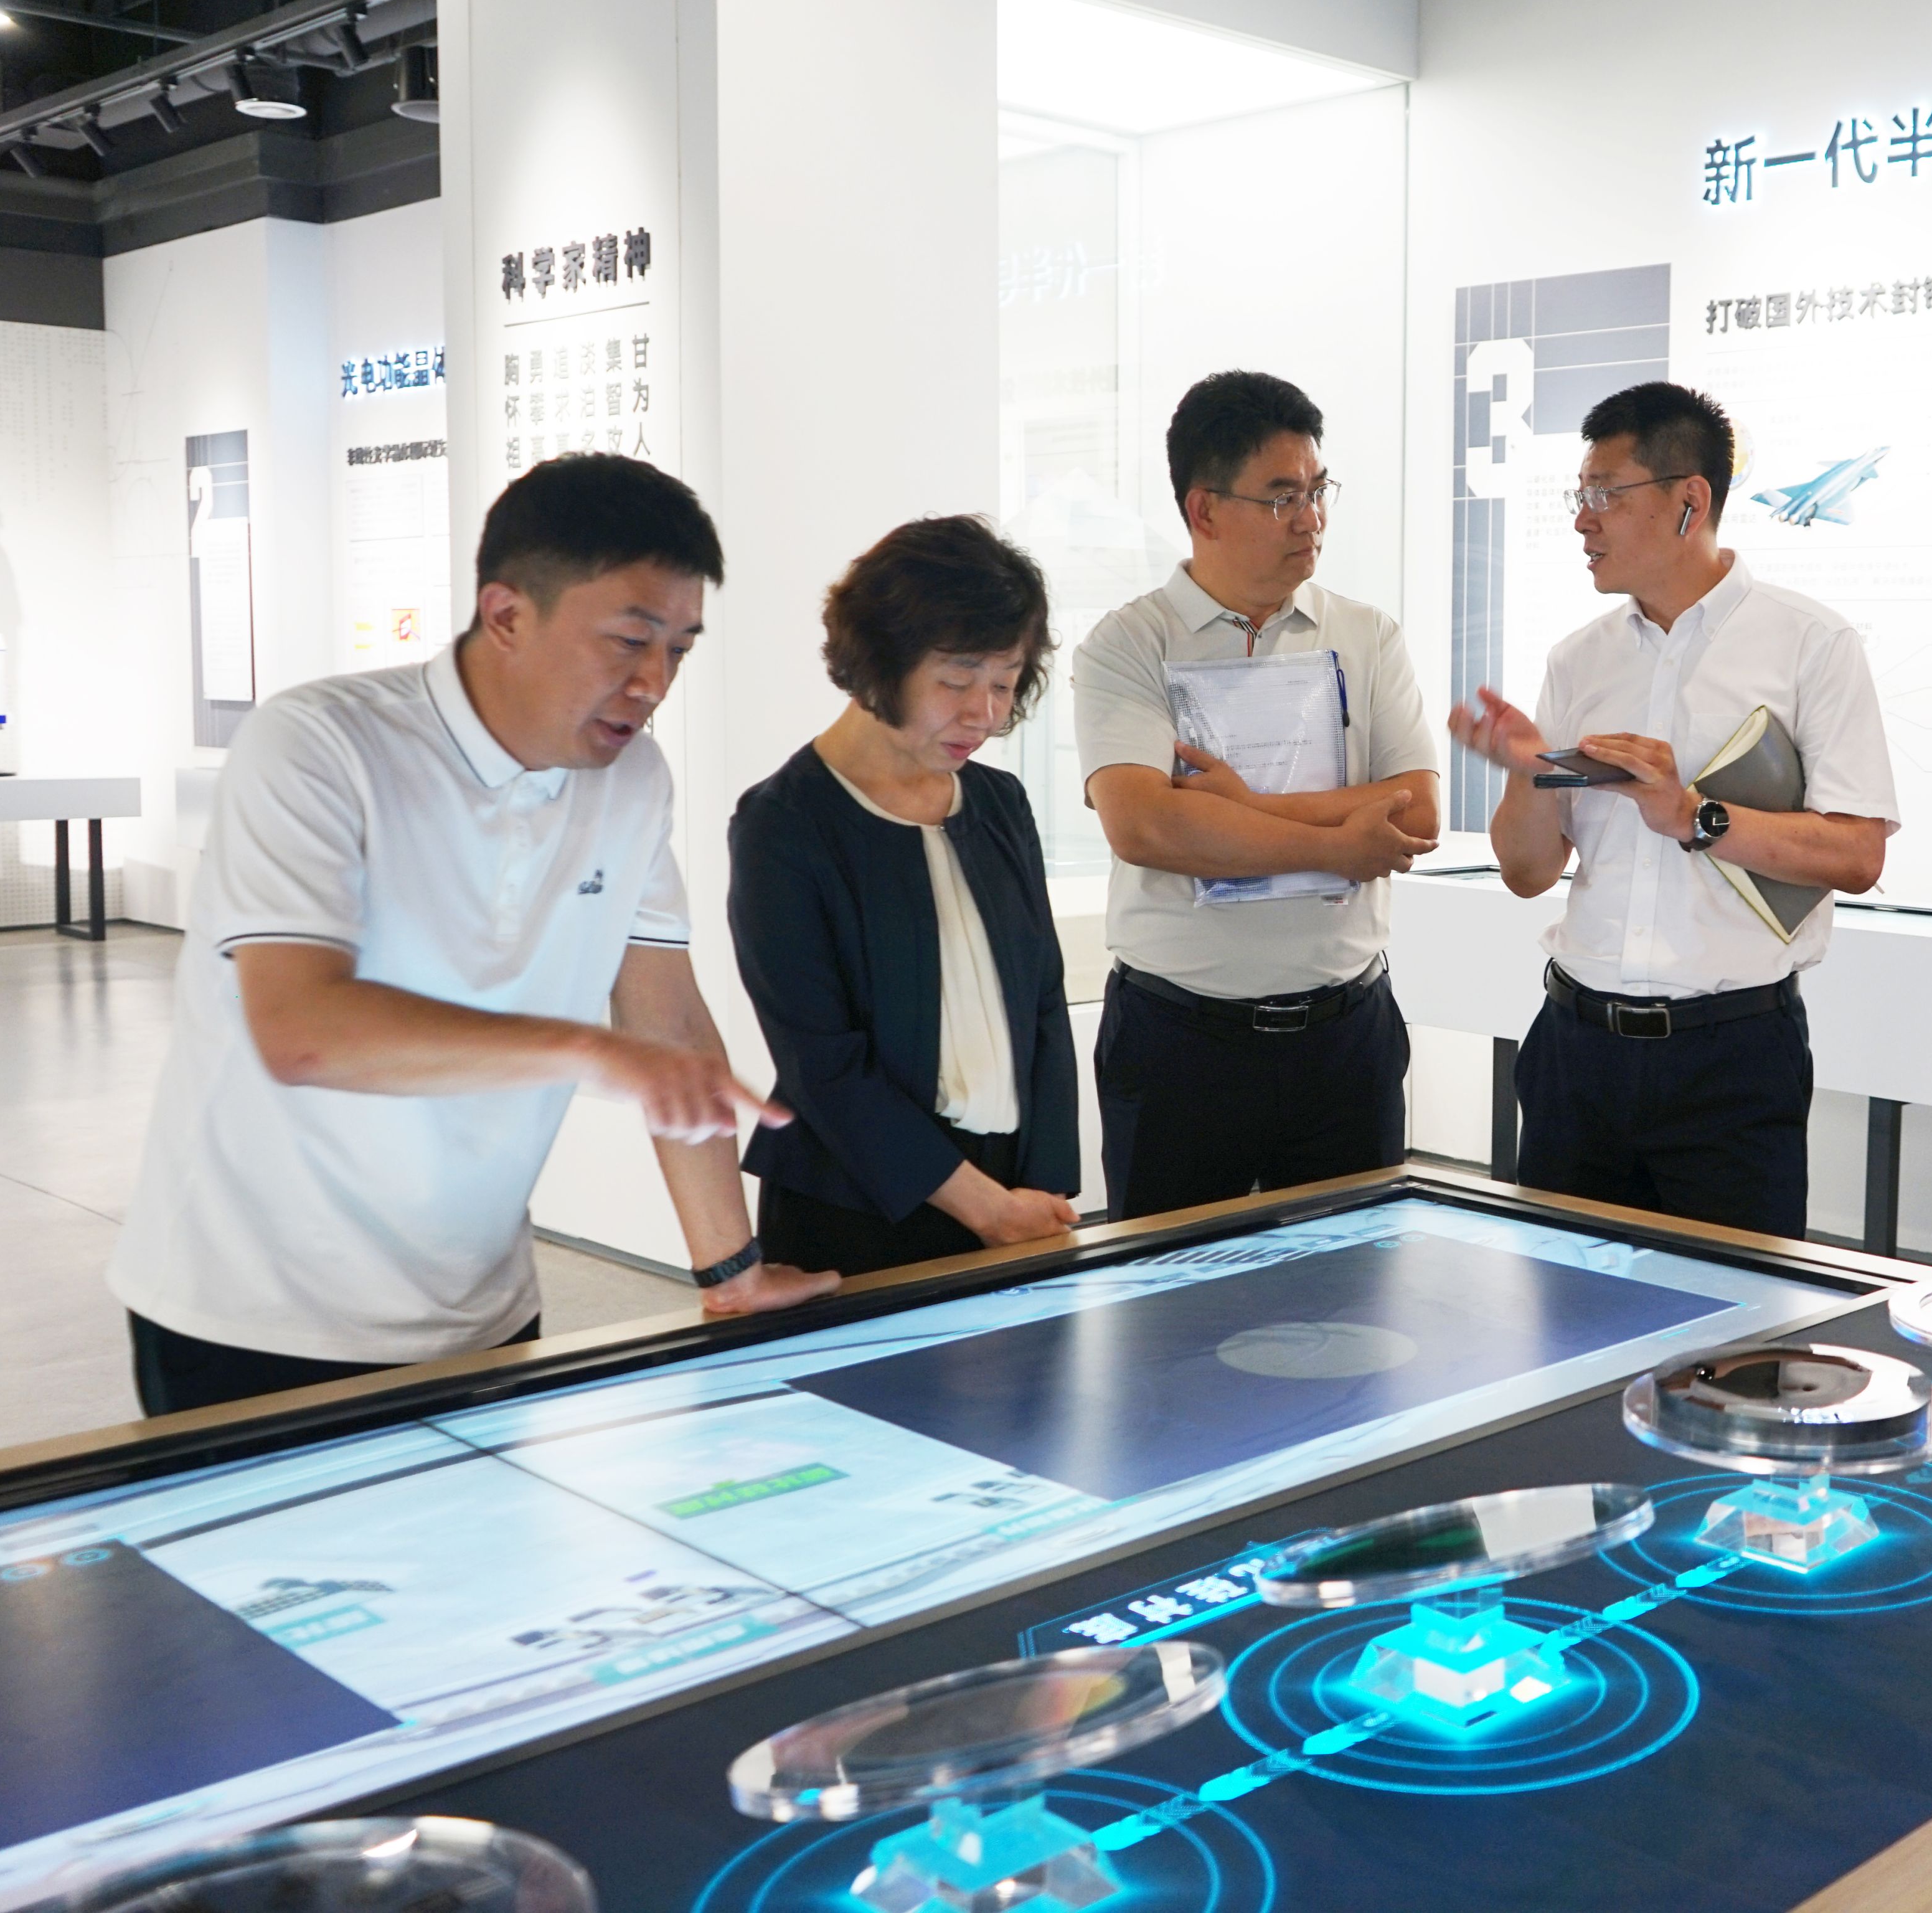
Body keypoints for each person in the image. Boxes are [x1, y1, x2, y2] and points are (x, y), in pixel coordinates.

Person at [110, 455, 838, 1417]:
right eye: (629, 641)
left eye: (679, 649)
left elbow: (665, 1024)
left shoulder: (633, 779)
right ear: (506, 615)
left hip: (480, 1306)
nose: (653, 682)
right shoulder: (318, 744)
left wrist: (730, 1268)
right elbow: (301, 1030)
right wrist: (590, 1050)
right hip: (257, 1313)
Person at [1450, 381, 1899, 1239]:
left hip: (1730, 1059)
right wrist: (1528, 771)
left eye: (1605, 496)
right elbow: (1527, 872)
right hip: (1576, 1049)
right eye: (1580, 495)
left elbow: (1857, 856)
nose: (1582, 522)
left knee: (1735, 1318)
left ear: (1690, 501)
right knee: (1564, 1305)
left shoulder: (1811, 644)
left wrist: (1694, 814)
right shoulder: (1578, 659)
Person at [1073, 371, 1440, 1219]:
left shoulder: (1366, 634)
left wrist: (1234, 808)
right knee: (1170, 1290)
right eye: (1281, 497)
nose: (1310, 519)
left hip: (1345, 1037)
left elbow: (1416, 812)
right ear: (1204, 510)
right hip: (1181, 1042)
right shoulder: (1129, 644)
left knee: (1352, 1286)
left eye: (1317, 491)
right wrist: (1339, 844)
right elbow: (1145, 824)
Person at [728, 517, 1084, 1276]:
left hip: (1015, 1195)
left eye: (1004, 681)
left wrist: (1041, 1190)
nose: (984, 713)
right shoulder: (783, 824)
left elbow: (1042, 1003)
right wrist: (985, 1210)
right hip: (858, 1210)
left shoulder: (1000, 803)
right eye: (956, 681)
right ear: (879, 662)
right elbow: (822, 1063)